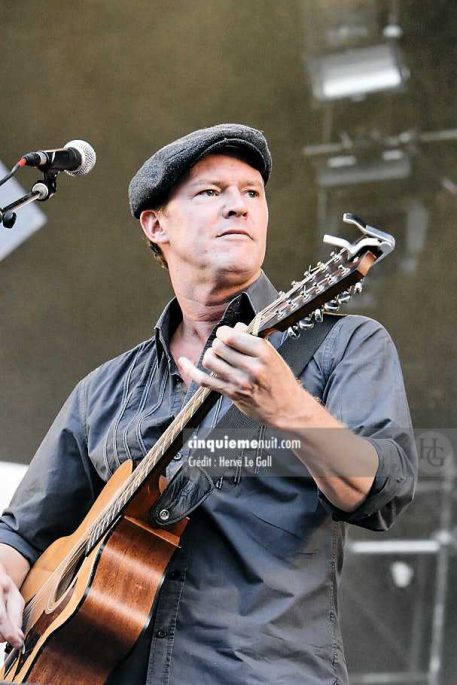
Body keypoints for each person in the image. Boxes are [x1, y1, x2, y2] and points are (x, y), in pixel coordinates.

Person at [0, 124, 417, 684]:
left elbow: (380, 491)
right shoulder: (104, 389)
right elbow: (22, 531)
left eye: (252, 193)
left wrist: (287, 407)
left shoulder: (345, 345)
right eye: (211, 192)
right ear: (156, 224)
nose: (239, 207)